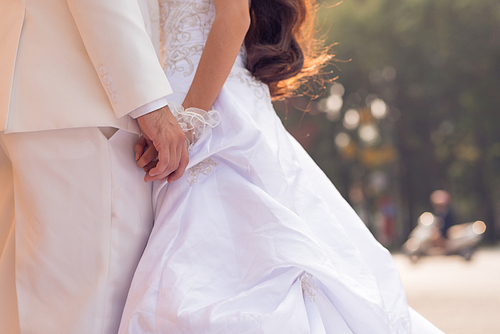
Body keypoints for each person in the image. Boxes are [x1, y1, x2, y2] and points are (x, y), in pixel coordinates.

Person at [119, 0, 445, 333]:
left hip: (206, 106)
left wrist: (190, 121)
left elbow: (234, 17)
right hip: (174, 100)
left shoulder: (193, 118)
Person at [0, 0, 189, 333]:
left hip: (28, 99)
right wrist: (150, 105)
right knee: (86, 309)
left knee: (25, 309)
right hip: (80, 98)